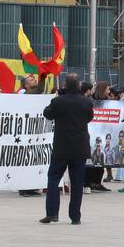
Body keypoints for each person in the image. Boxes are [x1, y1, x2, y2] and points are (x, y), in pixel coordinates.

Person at [42, 73, 93, 224]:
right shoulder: (86, 102)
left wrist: (59, 96)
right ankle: (75, 217)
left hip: (62, 147)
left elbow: (47, 114)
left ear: (64, 85)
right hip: (80, 147)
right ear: (79, 86)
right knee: (77, 183)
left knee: (53, 178)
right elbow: (89, 118)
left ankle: (52, 213)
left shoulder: (58, 101)